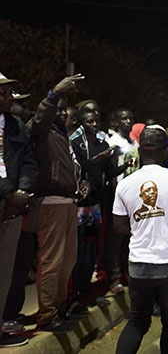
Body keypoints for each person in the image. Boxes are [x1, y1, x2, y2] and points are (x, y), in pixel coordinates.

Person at [113, 124, 168, 354]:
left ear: (140, 151)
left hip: (139, 264)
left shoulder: (125, 184)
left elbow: (119, 225)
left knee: (137, 321)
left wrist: (142, 229)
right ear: (166, 151)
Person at [27, 74, 85, 333]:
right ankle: (47, 315)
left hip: (68, 202)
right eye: (57, 109)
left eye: (64, 110)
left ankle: (58, 308)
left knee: (67, 259)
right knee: (51, 260)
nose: (61, 114)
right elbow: (40, 119)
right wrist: (54, 93)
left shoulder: (61, 135)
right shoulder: (40, 130)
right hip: (50, 203)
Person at [69, 110, 131, 313]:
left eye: (96, 121)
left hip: (96, 204)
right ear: (82, 123)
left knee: (92, 250)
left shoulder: (103, 145)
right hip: (80, 206)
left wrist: (124, 167)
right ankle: (75, 296)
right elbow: (80, 167)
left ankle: (88, 294)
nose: (94, 124)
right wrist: (100, 158)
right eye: (89, 122)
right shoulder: (77, 144)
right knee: (79, 251)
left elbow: (109, 171)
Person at [0, 73, 38, 348]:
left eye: (9, 92)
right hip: (7, 198)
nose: (8, 97)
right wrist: (7, 191)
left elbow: (28, 160)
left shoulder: (15, 125)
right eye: (2, 93)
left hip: (12, 207)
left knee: (4, 272)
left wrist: (22, 192)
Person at [105, 107, 139, 295]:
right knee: (115, 239)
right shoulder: (113, 142)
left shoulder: (133, 143)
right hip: (118, 197)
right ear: (116, 122)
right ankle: (114, 278)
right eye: (123, 118)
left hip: (133, 197)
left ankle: (128, 274)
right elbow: (110, 172)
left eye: (130, 118)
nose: (127, 121)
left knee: (130, 238)